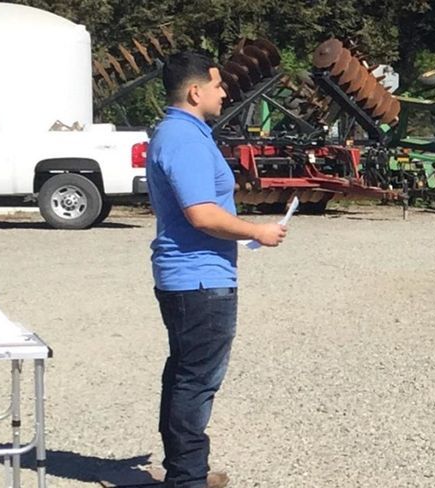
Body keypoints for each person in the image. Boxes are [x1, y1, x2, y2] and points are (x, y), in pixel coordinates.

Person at [147, 51, 287, 488]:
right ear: (195, 91)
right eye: (218, 85)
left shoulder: (181, 133)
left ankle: (185, 471)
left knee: (185, 373)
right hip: (200, 280)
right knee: (196, 381)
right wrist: (257, 231)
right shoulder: (184, 139)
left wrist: (241, 233)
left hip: (192, 277)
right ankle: (187, 478)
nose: (224, 92)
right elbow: (202, 215)